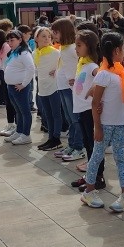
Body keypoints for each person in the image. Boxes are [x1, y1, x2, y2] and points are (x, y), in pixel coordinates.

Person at [80, 31, 124, 213]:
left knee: (120, 158)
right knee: (96, 157)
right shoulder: (104, 75)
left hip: (120, 123)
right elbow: (95, 103)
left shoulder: (119, 72)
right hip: (105, 125)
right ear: (117, 51)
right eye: (123, 49)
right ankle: (88, 191)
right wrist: (98, 127)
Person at [69, 30, 104, 189]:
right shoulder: (82, 63)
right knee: (88, 145)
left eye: (79, 45)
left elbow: (101, 76)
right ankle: (90, 175)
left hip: (89, 111)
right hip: (81, 110)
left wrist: (95, 87)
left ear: (89, 46)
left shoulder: (92, 66)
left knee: (94, 146)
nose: (76, 48)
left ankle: (98, 177)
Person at [51, 18, 82, 159]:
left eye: (56, 32)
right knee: (69, 118)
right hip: (62, 86)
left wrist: (77, 78)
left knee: (75, 119)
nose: (53, 35)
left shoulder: (72, 49)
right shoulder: (63, 48)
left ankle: (79, 147)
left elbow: (82, 64)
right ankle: (71, 144)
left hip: (71, 88)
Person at [3, 30, 36, 145]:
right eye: (8, 41)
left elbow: (31, 68)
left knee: (25, 111)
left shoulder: (24, 53)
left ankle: (26, 135)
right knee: (18, 111)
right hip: (12, 86)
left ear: (20, 40)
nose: (9, 43)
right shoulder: (15, 52)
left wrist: (24, 84)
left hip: (19, 87)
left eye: (12, 40)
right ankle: (19, 131)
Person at [34, 27, 63, 150]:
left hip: (54, 87)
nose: (47, 39)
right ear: (36, 38)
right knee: (47, 115)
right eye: (43, 36)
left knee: (56, 114)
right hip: (42, 87)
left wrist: (57, 70)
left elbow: (64, 65)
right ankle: (50, 138)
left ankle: (56, 138)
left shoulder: (55, 52)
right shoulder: (35, 53)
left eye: (49, 36)